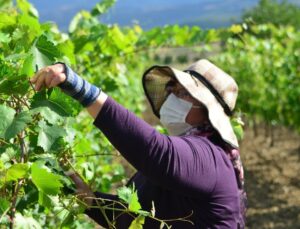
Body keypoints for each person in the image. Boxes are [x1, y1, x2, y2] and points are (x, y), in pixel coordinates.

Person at [30, 59, 247, 228]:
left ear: (206, 109)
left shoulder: (211, 158)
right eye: (173, 90)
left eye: (183, 93)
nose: (172, 96)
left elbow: (155, 151)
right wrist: (92, 201)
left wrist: (82, 90)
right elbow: (136, 220)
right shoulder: (193, 155)